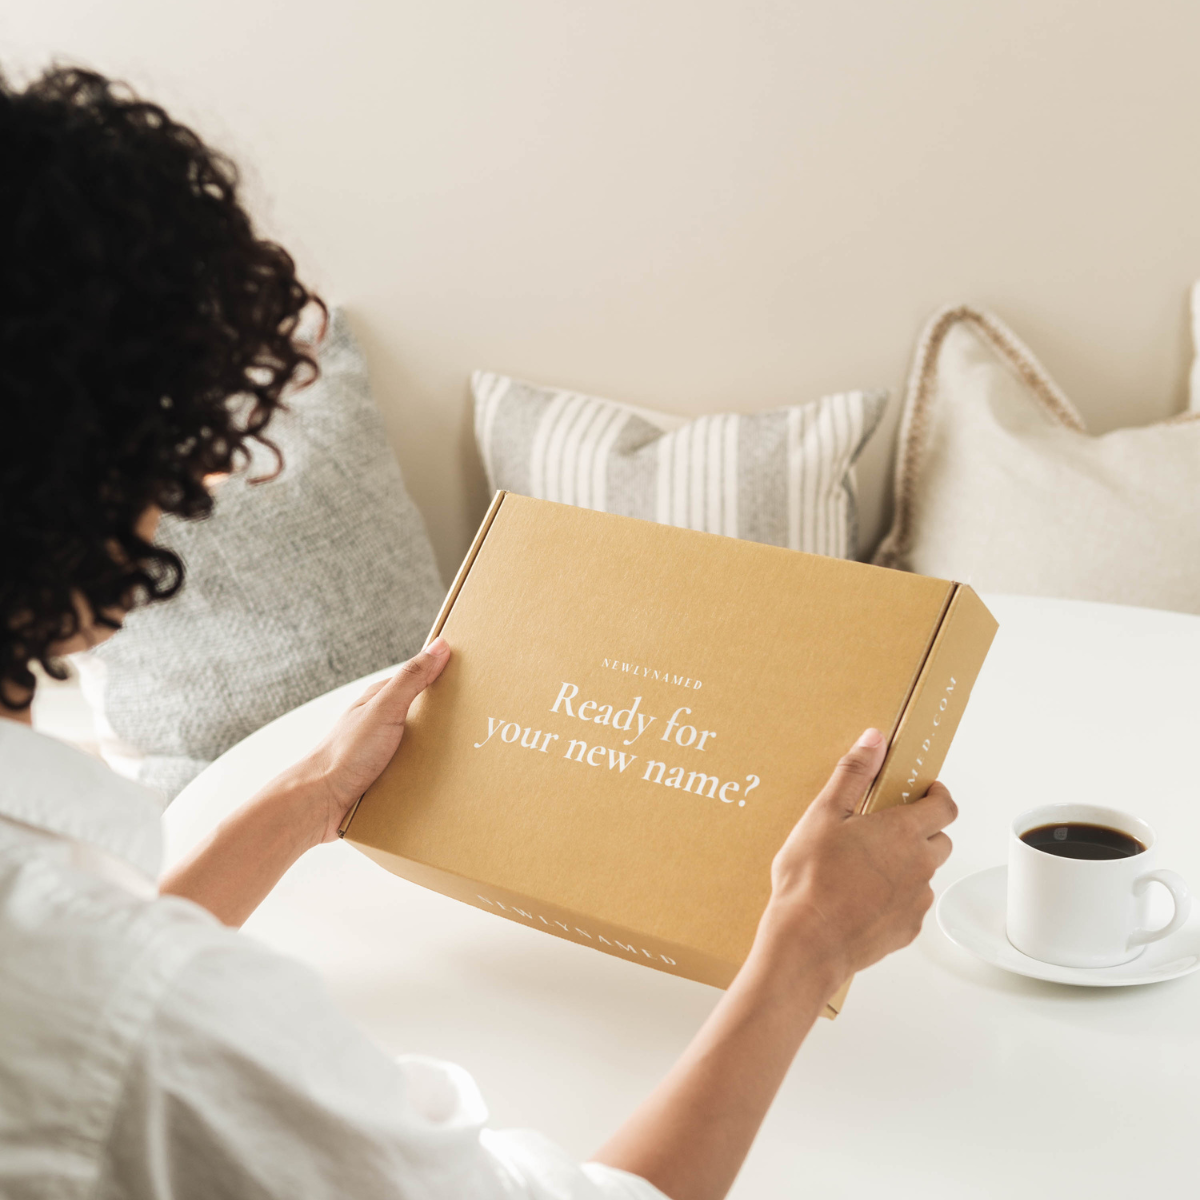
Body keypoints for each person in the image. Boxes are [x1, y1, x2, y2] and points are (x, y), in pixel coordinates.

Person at [0, 66, 958, 1200]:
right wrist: (806, 946)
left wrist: (307, 797)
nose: (198, 478)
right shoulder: (150, 1015)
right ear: (83, 465)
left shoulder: (81, 963)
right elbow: (111, 1021)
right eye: (177, 436)